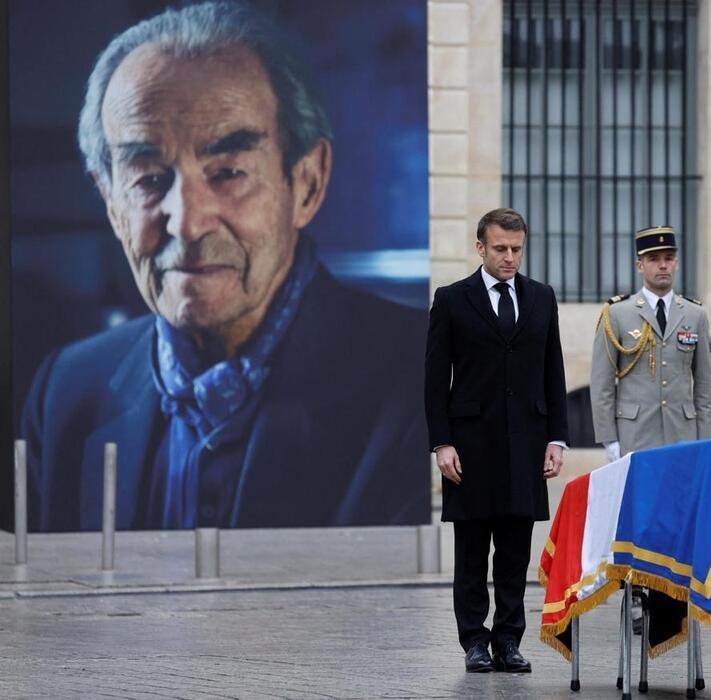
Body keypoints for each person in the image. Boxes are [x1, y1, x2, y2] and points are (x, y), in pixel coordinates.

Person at [21, 1, 428, 531]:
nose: (187, 223)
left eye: (229, 171)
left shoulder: (429, 382)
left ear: (306, 183)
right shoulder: (66, 394)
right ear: (110, 202)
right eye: (148, 179)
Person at [424, 208, 569, 673]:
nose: (510, 258)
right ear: (480, 247)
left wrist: (557, 439)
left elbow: (554, 372)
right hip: (469, 446)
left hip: (525, 444)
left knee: (513, 552)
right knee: (471, 552)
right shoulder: (451, 300)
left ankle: (509, 639)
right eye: (501, 249)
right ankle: (474, 641)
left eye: (517, 249)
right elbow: (433, 380)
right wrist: (441, 442)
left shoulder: (542, 298)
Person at [590, 225, 711, 461]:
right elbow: (601, 383)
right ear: (640, 266)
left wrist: (704, 439)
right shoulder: (617, 313)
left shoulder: (694, 314)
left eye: (668, 258)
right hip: (634, 435)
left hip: (683, 434)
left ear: (676, 263)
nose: (663, 265)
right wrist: (610, 440)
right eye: (654, 259)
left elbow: (704, 387)